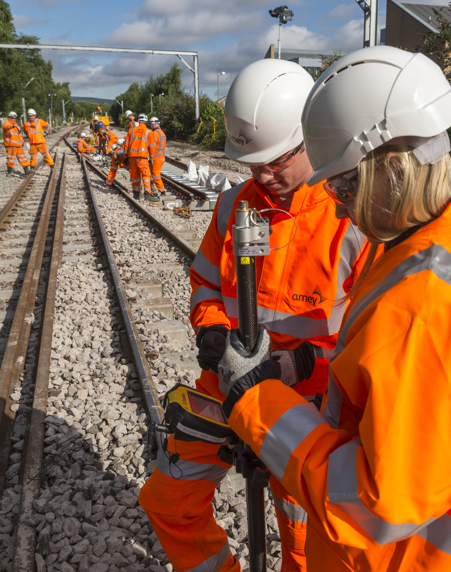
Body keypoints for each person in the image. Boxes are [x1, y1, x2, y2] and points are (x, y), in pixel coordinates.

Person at [214, 46, 451, 571]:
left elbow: (371, 505)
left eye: (343, 186)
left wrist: (254, 401)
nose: (339, 205)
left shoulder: (423, 305)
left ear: (391, 164)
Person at [138, 59, 373, 572]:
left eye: (276, 159)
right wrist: (212, 330)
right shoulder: (232, 207)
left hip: (310, 408)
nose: (262, 174)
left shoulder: (353, 220)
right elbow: (204, 281)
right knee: (167, 501)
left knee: (305, 539)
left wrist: (296, 365)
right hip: (224, 386)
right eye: (251, 162)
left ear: (312, 138)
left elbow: (373, 339)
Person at [126, 113, 160, 202]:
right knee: (146, 175)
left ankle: (136, 192)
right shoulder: (149, 132)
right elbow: (152, 147)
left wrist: (126, 156)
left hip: (132, 157)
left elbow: (126, 144)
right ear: (146, 121)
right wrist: (152, 159)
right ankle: (148, 193)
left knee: (135, 175)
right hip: (142, 157)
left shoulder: (131, 130)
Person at [148, 116, 167, 197]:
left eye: (150, 124)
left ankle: (162, 191)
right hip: (161, 157)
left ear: (152, 124)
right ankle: (151, 188)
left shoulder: (155, 133)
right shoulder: (162, 132)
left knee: (156, 176)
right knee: (152, 173)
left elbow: (152, 145)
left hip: (156, 158)